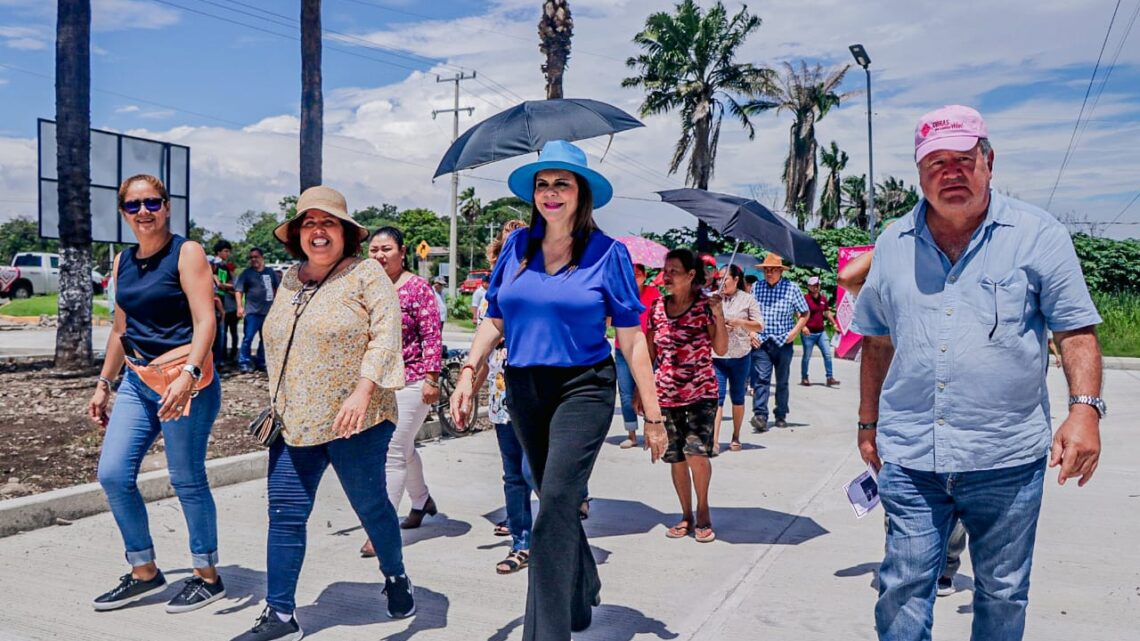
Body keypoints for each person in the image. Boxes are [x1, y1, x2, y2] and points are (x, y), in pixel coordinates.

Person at [853, 105, 1104, 641]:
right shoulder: (892, 245)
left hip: (1006, 459)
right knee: (901, 586)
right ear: (920, 174)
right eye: (936, 162)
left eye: (964, 159)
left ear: (989, 162)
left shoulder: (1039, 235)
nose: (951, 173)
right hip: (913, 457)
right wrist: (867, 424)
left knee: (1003, 591)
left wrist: (1085, 412)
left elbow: (1076, 332)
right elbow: (876, 343)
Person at [449, 140, 667, 641]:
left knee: (552, 511)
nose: (551, 193)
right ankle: (584, 579)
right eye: (543, 184)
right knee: (555, 499)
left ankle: (546, 633)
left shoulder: (608, 254)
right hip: (525, 386)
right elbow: (496, 316)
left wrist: (653, 416)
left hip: (583, 387)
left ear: (581, 193)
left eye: (561, 183)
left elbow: (632, 341)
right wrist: (469, 370)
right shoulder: (516, 247)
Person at [232, 186, 414, 641]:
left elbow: (385, 336)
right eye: (308, 223)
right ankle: (279, 614)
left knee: (371, 506)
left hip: (358, 420)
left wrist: (362, 390)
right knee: (286, 514)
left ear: (345, 232)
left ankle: (395, 576)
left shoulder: (367, 274)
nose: (317, 231)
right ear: (297, 234)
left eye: (327, 222)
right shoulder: (290, 279)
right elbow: (280, 345)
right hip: (296, 422)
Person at [88, 174, 225, 613]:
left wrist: (189, 373)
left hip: (187, 384)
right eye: (133, 205)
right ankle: (144, 570)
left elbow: (206, 320)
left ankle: (207, 576)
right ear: (123, 212)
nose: (143, 212)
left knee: (186, 479)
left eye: (151, 203)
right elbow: (120, 329)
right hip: (137, 381)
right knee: (112, 474)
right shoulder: (122, 262)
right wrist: (103, 383)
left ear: (166, 206)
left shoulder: (187, 253)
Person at [365, 226, 442, 539]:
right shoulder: (368, 286)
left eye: (386, 249)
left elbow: (431, 336)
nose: (380, 255)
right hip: (377, 382)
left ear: (402, 252)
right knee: (404, 448)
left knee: (393, 451)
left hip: (412, 379)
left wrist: (432, 379)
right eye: (374, 250)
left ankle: (379, 531)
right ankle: (421, 501)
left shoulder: (418, 288)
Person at [647, 248, 727, 542]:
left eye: (674, 272)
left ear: (692, 275)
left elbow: (720, 348)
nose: (666, 276)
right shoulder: (657, 308)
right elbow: (650, 353)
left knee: (695, 453)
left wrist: (718, 314)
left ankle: (703, 511)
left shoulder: (705, 306)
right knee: (676, 458)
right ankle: (686, 514)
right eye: (665, 271)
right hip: (666, 395)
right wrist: (642, 396)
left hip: (701, 393)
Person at [471, 219, 536, 574]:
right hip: (500, 390)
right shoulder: (492, 294)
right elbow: (484, 347)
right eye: (506, 246)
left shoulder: (540, 286)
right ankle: (521, 542)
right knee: (513, 473)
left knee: (534, 471)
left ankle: (560, 527)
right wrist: (469, 387)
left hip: (535, 389)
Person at [750, 253, 809, 431]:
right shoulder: (756, 287)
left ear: (780, 271)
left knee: (782, 380)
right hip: (762, 341)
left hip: (784, 341)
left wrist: (795, 332)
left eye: (773, 270)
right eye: (766, 270)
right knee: (761, 378)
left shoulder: (792, 288)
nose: (769, 273)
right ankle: (760, 415)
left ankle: (781, 413)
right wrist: (751, 331)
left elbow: (805, 313)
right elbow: (748, 312)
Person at [712, 264, 762, 452]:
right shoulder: (713, 298)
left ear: (736, 279)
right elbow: (704, 323)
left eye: (725, 278)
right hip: (717, 355)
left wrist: (740, 323)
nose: (721, 282)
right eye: (719, 278)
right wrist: (720, 326)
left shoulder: (748, 300)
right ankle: (714, 441)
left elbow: (759, 326)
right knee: (717, 398)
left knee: (738, 398)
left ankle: (736, 436)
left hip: (740, 355)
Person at [614, 262, 661, 449]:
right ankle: (631, 433)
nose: (635, 277)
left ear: (644, 275)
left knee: (648, 390)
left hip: (648, 349)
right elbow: (610, 320)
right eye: (631, 274)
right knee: (625, 392)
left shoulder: (654, 294)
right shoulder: (620, 294)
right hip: (621, 349)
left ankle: (651, 429)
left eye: (638, 274)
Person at [235, 247, 280, 374]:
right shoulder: (247, 273)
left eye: (256, 257)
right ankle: (244, 362)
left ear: (262, 258)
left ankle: (261, 361)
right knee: (248, 338)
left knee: (265, 338)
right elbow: (239, 290)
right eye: (251, 257)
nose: (253, 259)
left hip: (268, 312)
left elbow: (277, 289)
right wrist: (240, 307)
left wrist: (277, 307)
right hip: (252, 312)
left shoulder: (270, 272)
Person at [801, 275, 840, 387]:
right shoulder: (805, 299)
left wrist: (834, 324)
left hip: (821, 332)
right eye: (813, 285)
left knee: (827, 354)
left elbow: (827, 312)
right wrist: (803, 326)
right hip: (808, 332)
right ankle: (804, 377)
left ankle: (830, 377)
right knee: (807, 356)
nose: (816, 287)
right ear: (809, 286)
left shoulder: (823, 299)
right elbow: (799, 313)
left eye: (817, 285)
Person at [212, 240, 240, 364]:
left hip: (230, 304)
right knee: (221, 333)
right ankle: (221, 358)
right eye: (225, 251)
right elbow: (220, 285)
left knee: (232, 332)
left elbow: (233, 284)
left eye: (229, 251)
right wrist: (226, 286)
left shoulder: (227, 267)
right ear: (218, 252)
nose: (227, 254)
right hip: (221, 305)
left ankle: (231, 355)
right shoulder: (218, 267)